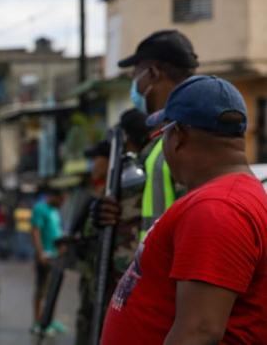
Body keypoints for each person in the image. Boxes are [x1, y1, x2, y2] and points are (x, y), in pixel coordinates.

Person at [101, 75, 267, 344]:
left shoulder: (216, 208)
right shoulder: (223, 198)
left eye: (162, 134)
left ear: (178, 136)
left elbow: (198, 332)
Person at [99, 29, 198, 238]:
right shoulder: (163, 137)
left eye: (135, 75)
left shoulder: (190, 136)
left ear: (153, 73)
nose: (134, 85)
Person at [30, 188, 66, 335]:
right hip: (45, 255)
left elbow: (56, 231)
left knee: (53, 290)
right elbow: (35, 231)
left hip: (56, 256)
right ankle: (37, 322)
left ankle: (49, 320)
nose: (62, 203)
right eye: (61, 200)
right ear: (54, 196)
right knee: (41, 289)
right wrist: (40, 253)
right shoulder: (40, 209)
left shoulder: (55, 211)